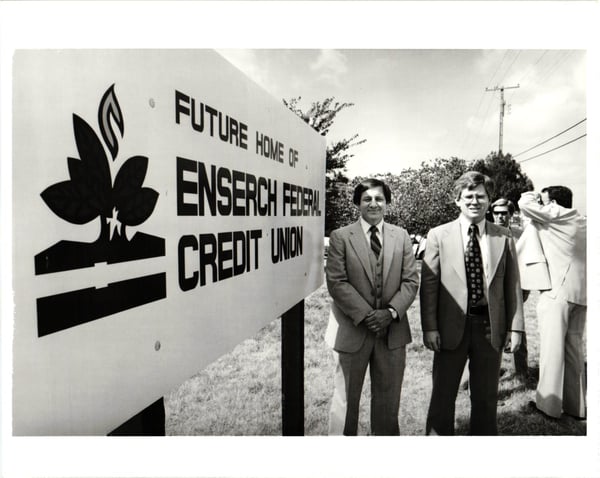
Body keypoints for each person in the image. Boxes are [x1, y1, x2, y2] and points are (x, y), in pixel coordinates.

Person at [420, 171, 524, 435]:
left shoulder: (504, 237)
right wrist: (429, 328)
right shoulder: (438, 235)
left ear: (489, 201)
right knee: (443, 396)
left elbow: (512, 285)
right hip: (449, 328)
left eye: (481, 196)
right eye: (468, 196)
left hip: (490, 328)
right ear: (457, 200)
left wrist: (516, 328)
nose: (474, 201)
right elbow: (429, 288)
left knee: (486, 398)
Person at [324, 178, 419, 435]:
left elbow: (411, 281)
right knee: (345, 403)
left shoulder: (401, 237)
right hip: (351, 331)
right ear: (358, 203)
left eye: (379, 198)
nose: (373, 203)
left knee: (388, 405)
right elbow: (337, 282)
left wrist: (389, 313)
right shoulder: (341, 237)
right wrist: (368, 315)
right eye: (367, 199)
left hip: (392, 332)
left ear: (387, 203)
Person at [518, 186, 586, 419]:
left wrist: (534, 194)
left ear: (554, 203)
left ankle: (548, 406)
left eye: (545, 202)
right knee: (574, 351)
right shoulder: (582, 220)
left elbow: (525, 204)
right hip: (581, 295)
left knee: (551, 350)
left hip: (558, 292)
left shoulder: (558, 215)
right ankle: (576, 407)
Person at [490, 198, 529, 383]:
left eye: (503, 213)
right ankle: (484, 372)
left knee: (517, 328)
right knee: (490, 332)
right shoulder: (487, 233)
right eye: (496, 213)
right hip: (493, 291)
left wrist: (525, 288)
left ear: (511, 214)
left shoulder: (522, 235)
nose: (499, 216)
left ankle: (521, 372)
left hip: (516, 289)